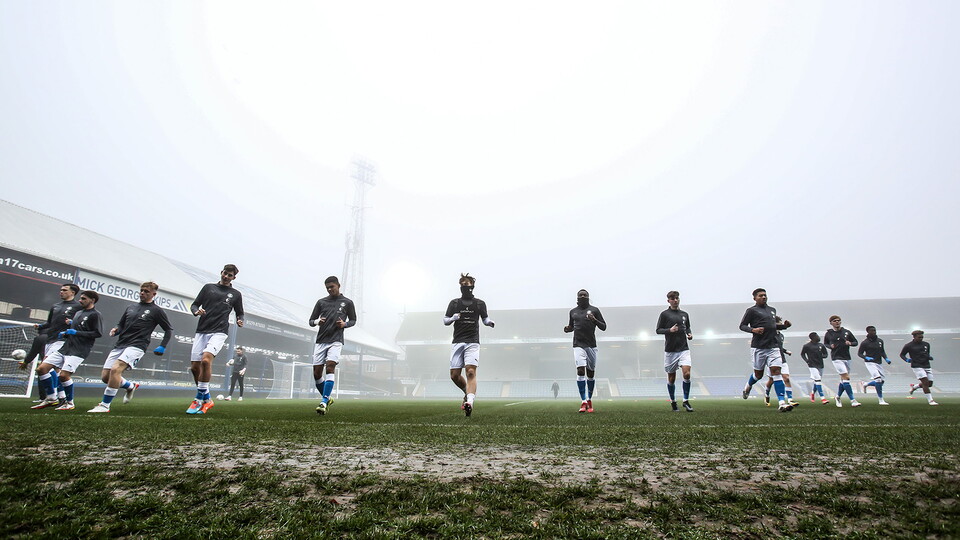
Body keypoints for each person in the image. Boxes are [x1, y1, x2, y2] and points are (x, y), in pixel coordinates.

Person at [87, 282, 173, 413]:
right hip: (121, 344)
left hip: (138, 345)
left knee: (116, 369)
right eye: (141, 290)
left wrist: (162, 346)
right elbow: (121, 324)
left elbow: (168, 329)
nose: (142, 293)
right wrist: (116, 329)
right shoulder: (131, 307)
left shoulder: (157, 311)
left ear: (154, 294)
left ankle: (104, 405)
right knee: (106, 377)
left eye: (146, 291)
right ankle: (130, 386)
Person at [186, 264, 244, 414]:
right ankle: (207, 398)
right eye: (225, 273)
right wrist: (196, 311)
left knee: (206, 360)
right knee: (194, 368)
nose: (226, 276)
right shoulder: (208, 288)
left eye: (229, 275)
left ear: (234, 278)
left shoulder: (236, 294)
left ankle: (198, 399)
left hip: (219, 331)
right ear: (221, 272)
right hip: (202, 330)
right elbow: (194, 305)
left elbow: (240, 312)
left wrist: (240, 320)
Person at [31, 291, 103, 410]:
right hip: (66, 347)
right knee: (42, 368)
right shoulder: (78, 313)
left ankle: (69, 403)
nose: (80, 300)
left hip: (79, 350)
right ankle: (51, 398)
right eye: (80, 298)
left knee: (63, 376)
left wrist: (76, 332)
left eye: (84, 299)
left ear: (92, 300)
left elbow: (98, 333)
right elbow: (74, 329)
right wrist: (65, 334)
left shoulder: (95, 315)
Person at [444, 273, 494, 417]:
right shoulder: (454, 303)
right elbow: (445, 320)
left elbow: (485, 319)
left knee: (470, 372)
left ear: (472, 286)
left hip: (472, 341)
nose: (464, 287)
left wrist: (489, 323)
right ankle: (467, 392)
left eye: (466, 285)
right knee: (454, 375)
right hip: (457, 341)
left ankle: (470, 402)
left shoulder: (479, 303)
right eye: (462, 285)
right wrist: (453, 318)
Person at [21, 283, 81, 402]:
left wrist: (72, 323)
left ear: (72, 293)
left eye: (64, 290)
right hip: (50, 339)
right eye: (60, 290)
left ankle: (52, 396)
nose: (61, 292)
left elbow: (82, 323)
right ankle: (61, 396)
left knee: (45, 366)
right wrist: (40, 326)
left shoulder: (78, 307)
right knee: (56, 370)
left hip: (63, 340)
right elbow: (49, 323)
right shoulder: (56, 306)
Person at [739, 288, 794, 412]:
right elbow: (742, 326)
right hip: (758, 347)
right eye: (760, 296)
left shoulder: (772, 310)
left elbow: (773, 326)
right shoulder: (751, 311)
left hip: (773, 347)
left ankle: (782, 403)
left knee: (776, 372)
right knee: (758, 375)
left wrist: (784, 326)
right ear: (754, 298)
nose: (763, 297)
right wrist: (753, 330)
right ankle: (747, 387)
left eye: (765, 295)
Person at [309, 276, 356, 415]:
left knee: (330, 367)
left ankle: (323, 402)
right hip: (321, 340)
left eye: (332, 287)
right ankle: (328, 398)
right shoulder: (321, 302)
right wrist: (318, 322)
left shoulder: (347, 303)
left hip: (336, 340)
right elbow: (311, 321)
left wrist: (345, 324)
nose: (330, 290)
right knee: (317, 374)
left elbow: (353, 320)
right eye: (327, 288)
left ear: (338, 285)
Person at [564, 289, 607, 413]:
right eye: (580, 295)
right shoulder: (573, 312)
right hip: (578, 344)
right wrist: (568, 329)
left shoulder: (595, 310)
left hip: (591, 345)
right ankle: (583, 401)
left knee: (590, 373)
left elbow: (603, 327)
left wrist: (594, 320)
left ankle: (589, 399)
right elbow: (571, 326)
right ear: (577, 298)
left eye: (585, 295)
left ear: (588, 297)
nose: (583, 296)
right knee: (580, 370)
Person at [655, 290, 693, 412]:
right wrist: (669, 330)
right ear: (669, 301)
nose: (675, 300)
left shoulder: (684, 314)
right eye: (673, 298)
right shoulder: (665, 314)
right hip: (671, 351)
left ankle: (686, 401)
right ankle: (673, 402)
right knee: (671, 378)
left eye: (677, 298)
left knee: (687, 374)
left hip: (683, 349)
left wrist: (689, 333)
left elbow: (687, 327)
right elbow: (658, 330)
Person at [824, 315, 860, 407]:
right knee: (846, 378)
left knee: (843, 380)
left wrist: (850, 343)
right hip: (836, 358)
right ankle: (853, 400)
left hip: (847, 358)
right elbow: (825, 343)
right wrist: (830, 346)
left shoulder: (846, 332)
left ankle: (838, 396)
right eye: (835, 321)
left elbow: (856, 342)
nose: (837, 322)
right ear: (831, 323)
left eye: (839, 320)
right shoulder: (829, 333)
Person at [763, 323, 799, 408]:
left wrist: (786, 351)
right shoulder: (770, 335)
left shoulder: (781, 335)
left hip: (782, 360)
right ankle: (766, 394)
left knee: (786, 378)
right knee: (771, 380)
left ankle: (790, 399)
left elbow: (779, 347)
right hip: (772, 361)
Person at [901, 330, 938, 406]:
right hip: (917, 366)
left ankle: (915, 387)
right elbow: (902, 355)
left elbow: (927, 353)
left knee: (930, 384)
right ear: (914, 337)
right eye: (919, 337)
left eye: (922, 337)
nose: (921, 338)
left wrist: (929, 357)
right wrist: (906, 359)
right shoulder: (908, 345)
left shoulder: (926, 344)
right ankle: (931, 401)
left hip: (927, 365)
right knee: (925, 382)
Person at [857, 326, 890, 406]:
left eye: (874, 330)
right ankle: (881, 400)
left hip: (878, 362)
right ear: (868, 332)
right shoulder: (865, 342)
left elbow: (882, 351)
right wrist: (866, 357)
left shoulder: (880, 341)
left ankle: (866, 384)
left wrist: (886, 358)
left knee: (881, 381)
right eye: (871, 331)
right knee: (878, 379)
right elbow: (859, 353)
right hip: (870, 363)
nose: (874, 332)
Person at [801, 332, 831, 404]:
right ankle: (823, 398)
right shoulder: (807, 346)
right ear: (812, 338)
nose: (818, 337)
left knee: (817, 380)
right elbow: (802, 354)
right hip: (812, 365)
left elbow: (826, 354)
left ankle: (812, 393)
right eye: (816, 336)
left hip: (820, 365)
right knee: (817, 379)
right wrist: (807, 360)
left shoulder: (821, 345)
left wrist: (822, 356)